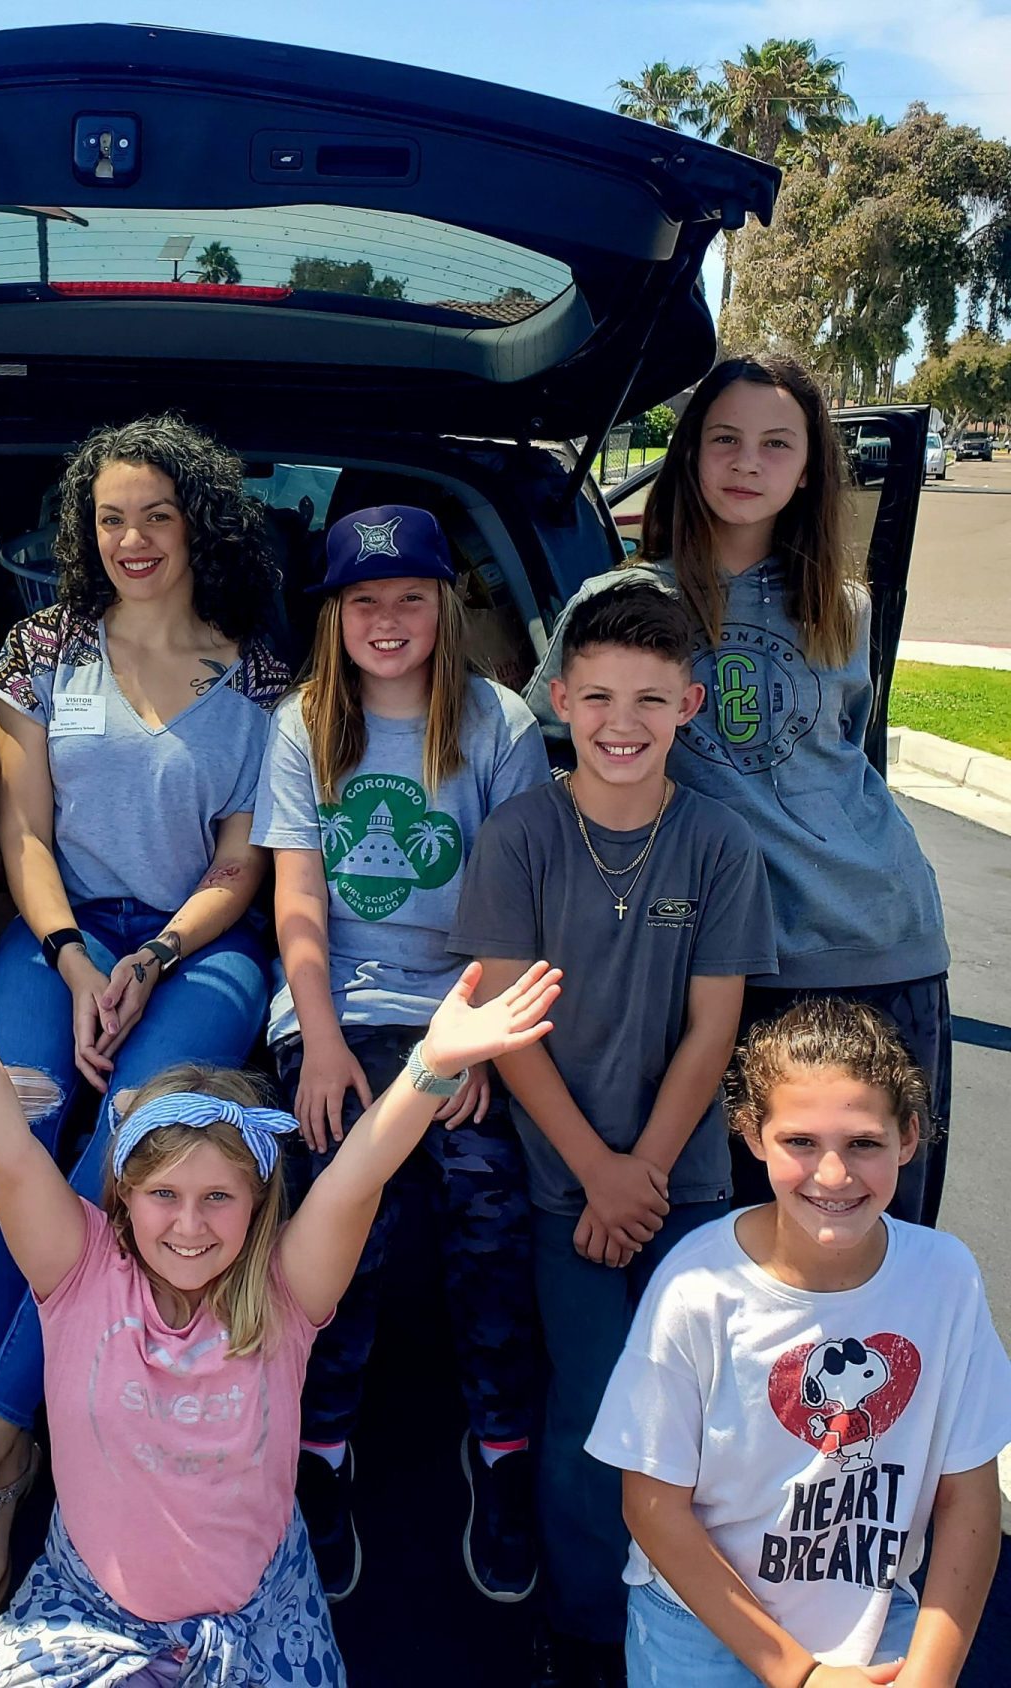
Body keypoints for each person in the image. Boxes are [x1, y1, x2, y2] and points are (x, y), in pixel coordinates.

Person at [0, 873, 563, 1684]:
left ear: (257, 1203)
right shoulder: (79, 1272)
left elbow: (356, 1177)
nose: (189, 1225)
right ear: (123, 1197)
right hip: (88, 1614)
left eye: (218, 1197)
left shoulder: (284, 1295)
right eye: (164, 1196)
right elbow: (4, 1144)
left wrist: (430, 1066)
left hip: (259, 1619)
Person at [0, 415, 288, 1628]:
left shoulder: (261, 677)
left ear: (199, 522)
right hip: (61, 931)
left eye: (156, 514)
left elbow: (240, 867)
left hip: (201, 947)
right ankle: (9, 1440)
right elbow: (24, 833)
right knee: (6, 1130)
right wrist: (77, 959)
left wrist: (149, 959)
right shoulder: (42, 648)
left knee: (129, 1154)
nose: (132, 538)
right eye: (109, 518)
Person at [527, 352, 951, 1226]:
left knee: (867, 1237)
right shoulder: (619, 599)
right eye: (724, 439)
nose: (748, 463)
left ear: (810, 469)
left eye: (776, 444)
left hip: (878, 942)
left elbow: (844, 753)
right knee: (735, 1243)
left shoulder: (843, 606)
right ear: (689, 454)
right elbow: (546, 752)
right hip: (715, 963)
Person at [449, 580, 778, 1687]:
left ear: (689, 704)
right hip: (565, 1189)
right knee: (591, 1407)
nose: (620, 723)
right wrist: (597, 1171)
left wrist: (643, 1174)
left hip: (685, 1187)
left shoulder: (718, 842)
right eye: (596, 697)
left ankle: (689, 1618)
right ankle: (586, 1625)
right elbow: (508, 1025)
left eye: (648, 698)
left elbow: (714, 1027)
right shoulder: (520, 837)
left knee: (699, 1411)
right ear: (559, 700)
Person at [252, 503, 550, 1605]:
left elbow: (517, 902)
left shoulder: (498, 722)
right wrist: (320, 1037)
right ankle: (320, 1449)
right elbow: (298, 901)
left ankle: (502, 1447)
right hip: (340, 1009)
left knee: (488, 1208)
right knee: (342, 1212)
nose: (388, 620)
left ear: (445, 605)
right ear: (333, 614)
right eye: (364, 600)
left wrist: (479, 1045)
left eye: (410, 598)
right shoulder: (303, 723)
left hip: (465, 1003)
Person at [588, 998, 1011, 1686]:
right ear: (752, 1134)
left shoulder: (946, 1279)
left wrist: (929, 1677)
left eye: (863, 1143)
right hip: (704, 1629)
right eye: (801, 1142)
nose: (833, 1175)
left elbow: (969, 1497)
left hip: (877, 1621)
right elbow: (652, 1504)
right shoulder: (699, 1288)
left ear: (908, 1137)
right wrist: (802, 1675)